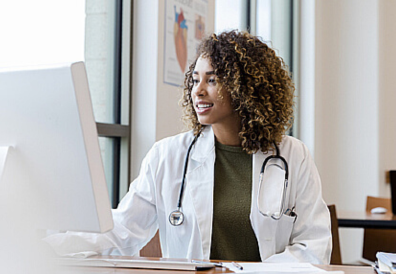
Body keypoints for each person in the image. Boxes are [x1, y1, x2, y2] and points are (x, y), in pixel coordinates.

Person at [45, 30, 331, 264]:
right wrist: (49, 244)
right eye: (195, 79)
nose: (198, 90)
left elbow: (313, 246)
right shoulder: (167, 156)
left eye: (212, 80)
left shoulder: (293, 156)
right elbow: (121, 231)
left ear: (245, 88)